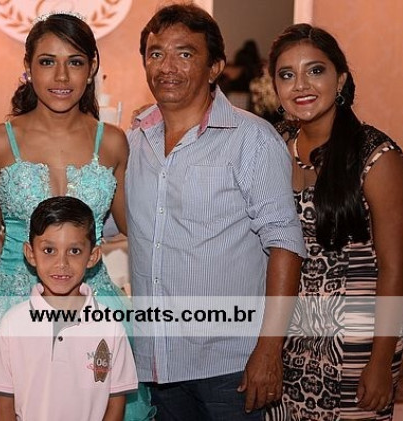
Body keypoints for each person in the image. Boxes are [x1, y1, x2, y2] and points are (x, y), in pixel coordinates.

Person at [0, 12, 154, 421]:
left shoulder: (113, 142)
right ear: (28, 67)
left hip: (92, 299)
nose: (62, 76)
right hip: (12, 299)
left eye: (75, 62)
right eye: (48, 61)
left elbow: (137, 229)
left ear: (92, 67)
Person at [126, 4, 306, 420]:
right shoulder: (133, 142)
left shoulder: (251, 138)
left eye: (185, 54)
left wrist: (269, 349)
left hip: (230, 364)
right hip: (157, 363)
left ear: (215, 68)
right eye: (156, 54)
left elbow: (285, 244)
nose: (167, 67)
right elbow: (110, 222)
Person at [266, 24, 403, 421]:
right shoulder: (274, 145)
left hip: (357, 342)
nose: (301, 85)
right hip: (287, 337)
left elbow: (396, 268)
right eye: (287, 75)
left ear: (341, 79)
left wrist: (381, 360)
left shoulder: (377, 156)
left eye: (315, 70)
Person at [0, 196, 138, 420]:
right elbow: (4, 403)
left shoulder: (110, 325)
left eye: (74, 251)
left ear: (93, 256)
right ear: (30, 253)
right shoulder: (12, 324)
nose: (61, 264)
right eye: (49, 250)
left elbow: (116, 403)